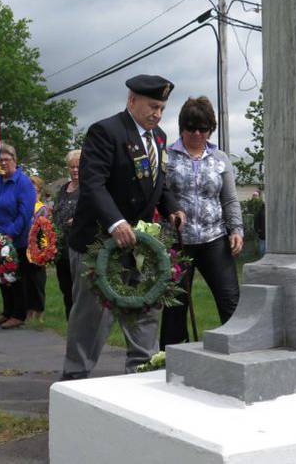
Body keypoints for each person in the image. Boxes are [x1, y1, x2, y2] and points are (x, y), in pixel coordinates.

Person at [62, 74, 185, 379]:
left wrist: (172, 208)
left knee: (145, 308)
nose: (157, 114)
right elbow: (93, 183)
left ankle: (141, 375)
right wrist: (115, 221)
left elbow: (159, 182)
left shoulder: (159, 138)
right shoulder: (106, 131)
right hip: (98, 240)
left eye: (162, 108)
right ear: (132, 100)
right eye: (152, 106)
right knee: (93, 315)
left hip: (139, 244)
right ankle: (75, 378)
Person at [160, 96, 243, 348]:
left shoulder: (220, 158)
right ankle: (168, 360)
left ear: (211, 129)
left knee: (230, 299)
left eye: (203, 128)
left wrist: (236, 229)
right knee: (175, 305)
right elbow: (158, 195)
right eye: (190, 127)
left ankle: (238, 351)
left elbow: (229, 199)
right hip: (177, 242)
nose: (197, 133)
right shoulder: (167, 157)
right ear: (181, 127)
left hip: (213, 239)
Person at [0, 144, 36, 329]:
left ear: (15, 160)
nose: (3, 163)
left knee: (15, 278)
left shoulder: (23, 183)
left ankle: (18, 314)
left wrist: (9, 235)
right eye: (0, 160)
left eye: (7, 160)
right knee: (1, 277)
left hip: (15, 241)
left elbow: (25, 213)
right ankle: (7, 312)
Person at [53, 149, 81, 320]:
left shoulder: (89, 188)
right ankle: (70, 321)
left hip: (78, 246)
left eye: (79, 166)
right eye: (72, 167)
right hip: (61, 247)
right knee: (66, 288)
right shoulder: (64, 188)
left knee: (79, 290)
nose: (75, 170)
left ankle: (81, 324)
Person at [24, 175, 49, 322]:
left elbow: (40, 228)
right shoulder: (24, 206)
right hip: (24, 246)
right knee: (27, 281)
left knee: (38, 281)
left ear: (39, 192)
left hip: (38, 248)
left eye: (34, 190)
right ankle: (29, 310)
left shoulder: (42, 208)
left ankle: (40, 311)